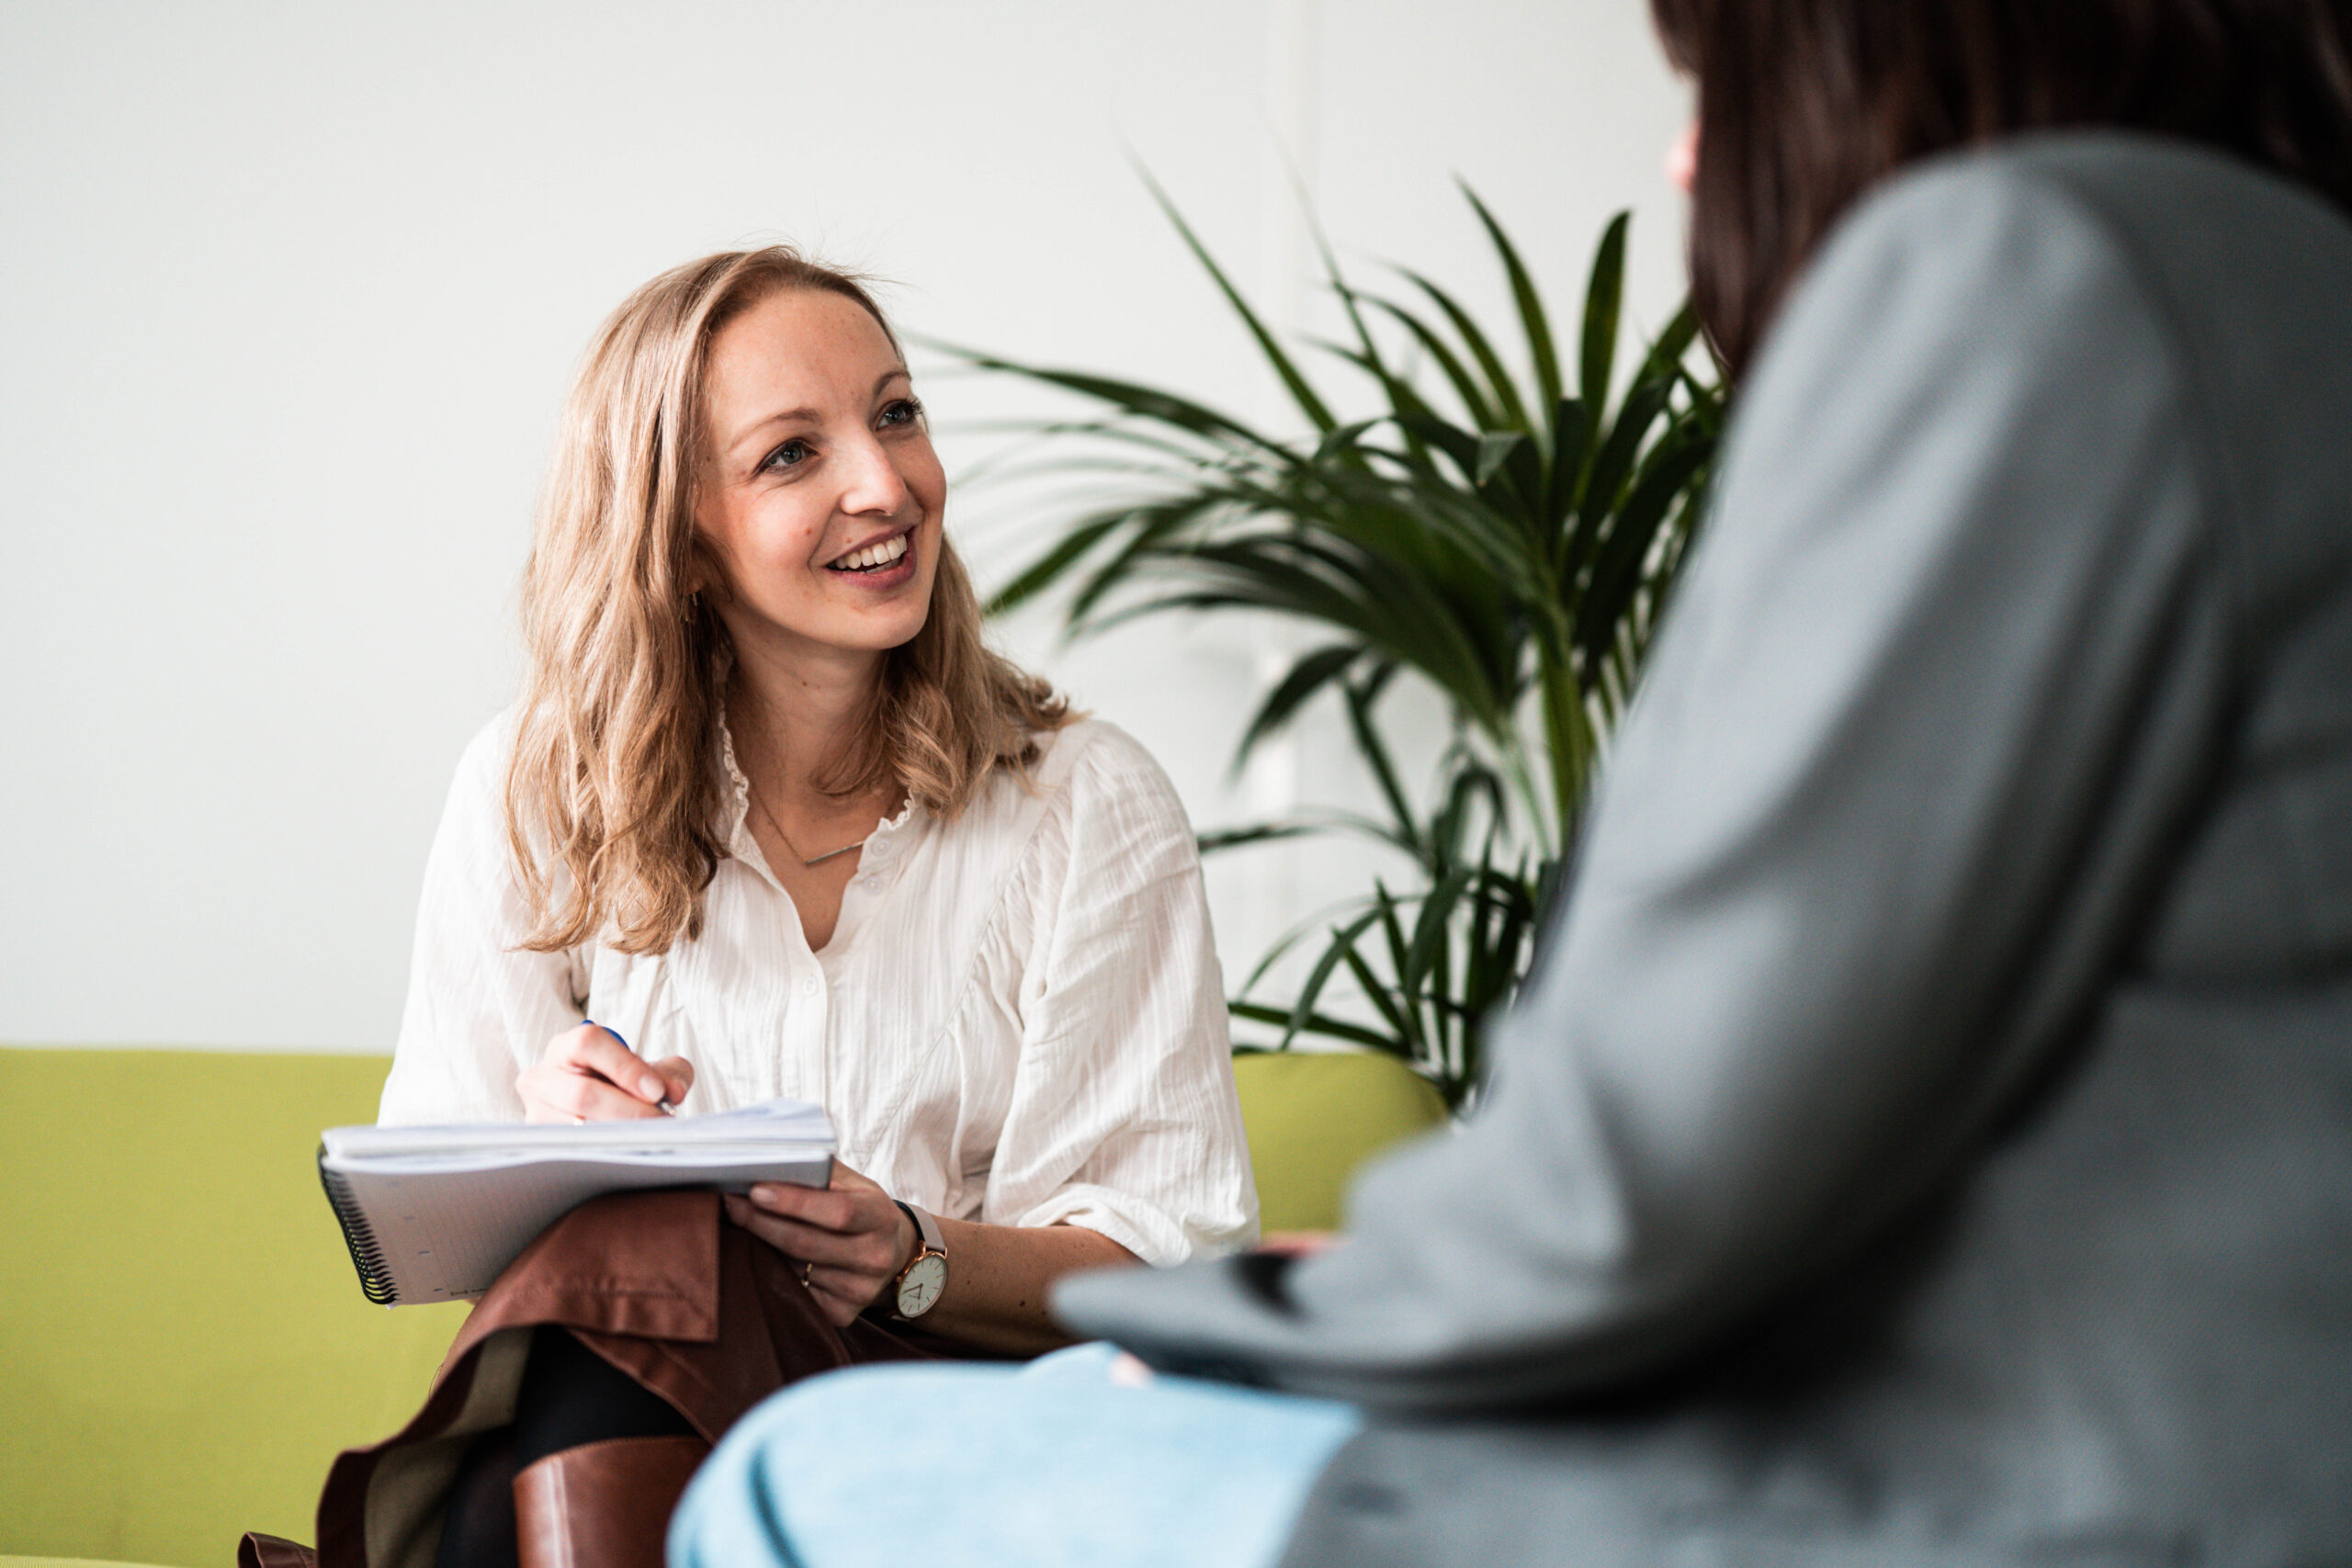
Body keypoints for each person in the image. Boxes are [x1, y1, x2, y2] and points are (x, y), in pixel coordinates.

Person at [664, 1, 2352, 1564]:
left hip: (2008, 1480)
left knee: (801, 1479)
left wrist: (1251, 1319)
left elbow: (1663, 1153)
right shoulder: (2285, 285)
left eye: (1711, 84)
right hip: (2193, 1438)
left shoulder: (2023, 272)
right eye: (792, 451)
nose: (1687, 160)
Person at [293, 249, 1255, 1568]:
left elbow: (1174, 1265)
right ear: (679, 536)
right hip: (637, 1418)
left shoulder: (1087, 806)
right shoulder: (532, 785)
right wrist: (551, 1135)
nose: (887, 484)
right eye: (792, 453)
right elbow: (426, 1240)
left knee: (607, 1337)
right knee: (646, 1236)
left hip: (963, 1451)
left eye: (897, 413)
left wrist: (911, 1254)